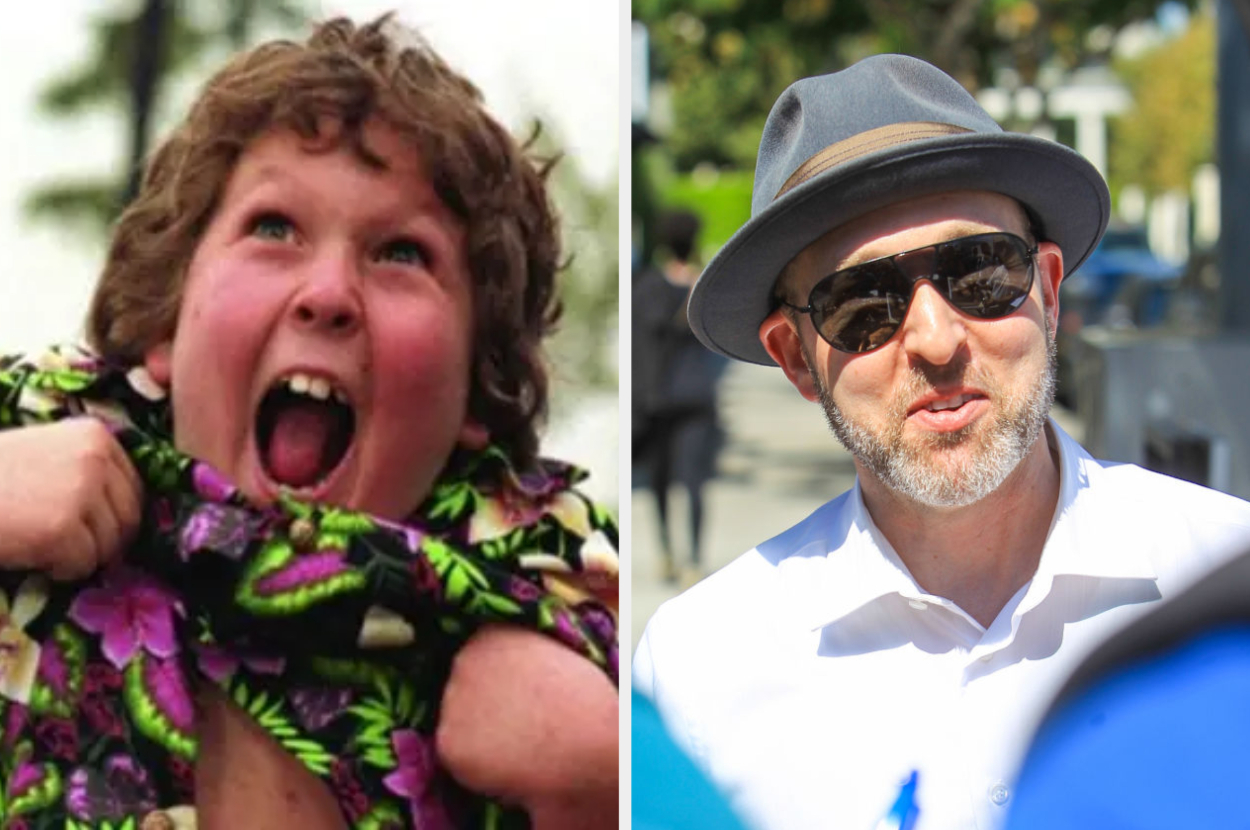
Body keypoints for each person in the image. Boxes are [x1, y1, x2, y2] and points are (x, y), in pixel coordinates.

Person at [0, 15, 617, 829]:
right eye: (273, 228)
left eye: (401, 253)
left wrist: (600, 796)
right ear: (166, 324)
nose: (326, 293)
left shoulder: (573, 632)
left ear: (477, 387)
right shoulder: (23, 480)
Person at [632, 53, 1250, 830]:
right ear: (795, 358)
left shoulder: (1226, 587)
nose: (934, 338)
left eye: (981, 272)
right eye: (863, 303)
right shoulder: (698, 670)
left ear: (1049, 293)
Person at [632, 209, 727, 584]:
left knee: (687, 481)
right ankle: (676, 554)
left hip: (682, 400)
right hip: (669, 400)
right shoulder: (668, 286)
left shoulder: (672, 285)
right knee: (667, 481)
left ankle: (685, 556)